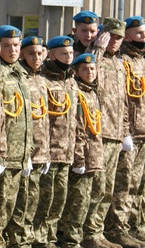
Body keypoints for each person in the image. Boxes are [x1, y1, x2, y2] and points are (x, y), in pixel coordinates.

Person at [0, 25, 33, 248]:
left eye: (17, 45)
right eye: (7, 45)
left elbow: (25, 117)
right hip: (1, 153)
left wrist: (27, 153)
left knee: (8, 206)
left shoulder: (20, 73)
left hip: (18, 153)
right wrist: (0, 154)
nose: (13, 50)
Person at [81, 18, 130, 248]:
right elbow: (87, 73)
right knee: (96, 187)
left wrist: (125, 132)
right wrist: (98, 48)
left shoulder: (119, 64)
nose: (115, 42)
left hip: (115, 134)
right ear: (103, 36)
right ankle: (89, 233)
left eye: (119, 38)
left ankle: (97, 231)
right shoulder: (93, 57)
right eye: (111, 36)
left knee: (107, 189)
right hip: (98, 133)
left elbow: (124, 102)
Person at [33, 35, 79, 247]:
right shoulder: (43, 79)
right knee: (44, 199)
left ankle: (51, 238)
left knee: (59, 199)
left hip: (66, 151)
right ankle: (40, 239)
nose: (68, 57)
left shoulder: (71, 80)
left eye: (70, 53)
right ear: (50, 54)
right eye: (63, 53)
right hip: (48, 151)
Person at [59, 53, 106, 248]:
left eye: (93, 69)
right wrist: (79, 158)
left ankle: (88, 235)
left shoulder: (93, 92)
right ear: (77, 72)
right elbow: (76, 128)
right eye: (85, 69)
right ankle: (71, 240)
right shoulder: (77, 92)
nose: (90, 72)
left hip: (96, 154)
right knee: (78, 200)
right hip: (83, 155)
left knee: (95, 196)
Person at [108, 15, 145, 247]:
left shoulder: (142, 60)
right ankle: (116, 228)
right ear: (128, 35)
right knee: (125, 184)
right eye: (139, 33)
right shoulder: (121, 60)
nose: (144, 37)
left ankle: (134, 224)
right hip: (129, 131)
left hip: (144, 130)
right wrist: (124, 131)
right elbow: (118, 99)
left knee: (140, 185)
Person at [12, 36, 51, 248]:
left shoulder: (42, 78)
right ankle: (18, 240)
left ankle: (28, 237)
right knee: (22, 199)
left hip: (41, 148)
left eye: (40, 53)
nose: (36, 58)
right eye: (31, 53)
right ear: (22, 55)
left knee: (35, 198)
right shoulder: (20, 77)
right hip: (23, 149)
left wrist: (46, 151)